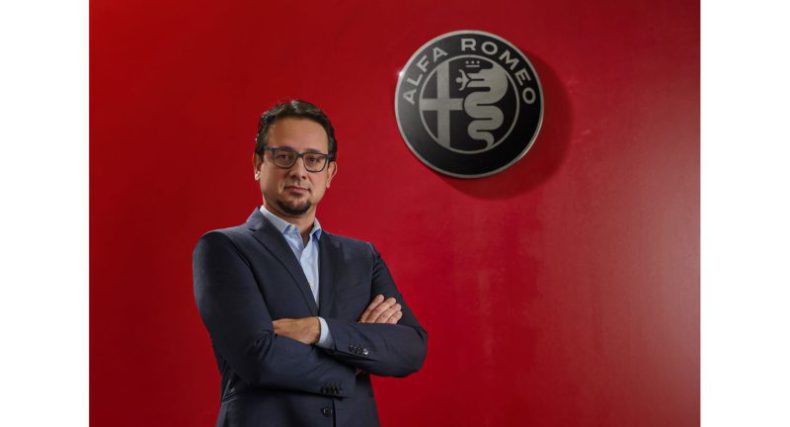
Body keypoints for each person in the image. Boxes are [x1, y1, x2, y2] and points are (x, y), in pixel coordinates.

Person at [193, 99, 427, 427]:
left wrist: (319, 330)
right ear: (258, 164)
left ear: (330, 173)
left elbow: (410, 348)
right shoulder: (224, 248)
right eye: (283, 156)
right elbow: (258, 357)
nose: (299, 171)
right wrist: (356, 357)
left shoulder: (362, 257)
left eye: (314, 160)